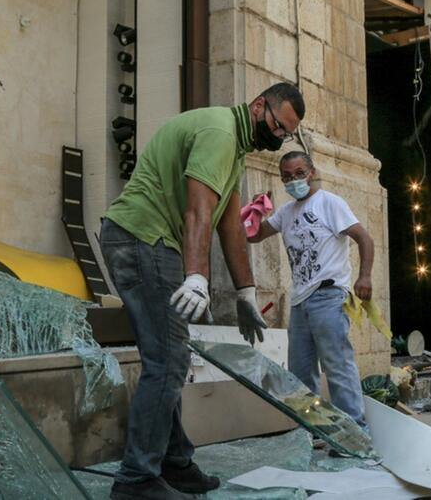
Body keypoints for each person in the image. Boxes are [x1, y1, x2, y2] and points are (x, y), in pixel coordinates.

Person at [100, 83, 305, 500]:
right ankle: (136, 480)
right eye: (277, 126)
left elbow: (230, 225)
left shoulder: (234, 148)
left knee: (169, 355)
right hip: (142, 238)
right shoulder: (220, 134)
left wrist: (246, 293)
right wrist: (196, 276)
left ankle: (173, 463)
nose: (278, 137)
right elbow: (198, 211)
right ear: (258, 105)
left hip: (146, 241)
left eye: (286, 134)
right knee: (169, 359)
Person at [248, 151, 374, 429]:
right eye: (287, 177)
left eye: (298, 173)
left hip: (328, 296)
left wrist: (364, 276)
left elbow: (364, 238)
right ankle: (314, 430)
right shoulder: (285, 212)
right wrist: (256, 209)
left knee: (337, 365)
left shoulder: (329, 203)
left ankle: (355, 431)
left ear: (312, 172)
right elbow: (254, 235)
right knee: (301, 373)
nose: (293, 180)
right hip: (300, 301)